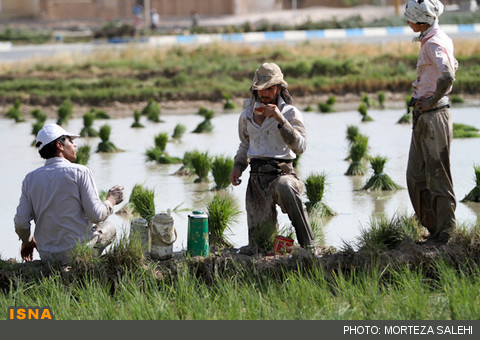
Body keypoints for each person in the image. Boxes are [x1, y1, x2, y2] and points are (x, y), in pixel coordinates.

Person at [229, 63, 315, 254]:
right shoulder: (247, 115)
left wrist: (280, 120)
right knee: (259, 245)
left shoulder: (290, 113)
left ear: (279, 89)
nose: (265, 94)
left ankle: (309, 246)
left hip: (281, 173)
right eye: (261, 89)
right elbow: (245, 144)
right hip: (256, 178)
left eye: (270, 89)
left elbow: (300, 146)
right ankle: (272, 250)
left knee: (286, 187)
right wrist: (238, 166)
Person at [14, 123, 125, 264]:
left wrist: (28, 242)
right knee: (110, 227)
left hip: (47, 257)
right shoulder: (81, 172)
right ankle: (88, 262)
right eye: (71, 141)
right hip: (77, 254)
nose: (75, 145)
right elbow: (96, 215)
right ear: (60, 146)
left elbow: (20, 223)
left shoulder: (30, 179)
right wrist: (111, 200)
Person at [404, 0, 458, 245]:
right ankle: (434, 229)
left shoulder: (435, 42)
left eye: (409, 18)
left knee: (437, 176)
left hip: (434, 115)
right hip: (425, 115)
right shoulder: (433, 38)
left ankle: (445, 235)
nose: (407, 22)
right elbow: (450, 67)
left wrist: (430, 100)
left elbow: (447, 73)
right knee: (416, 177)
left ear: (419, 20)